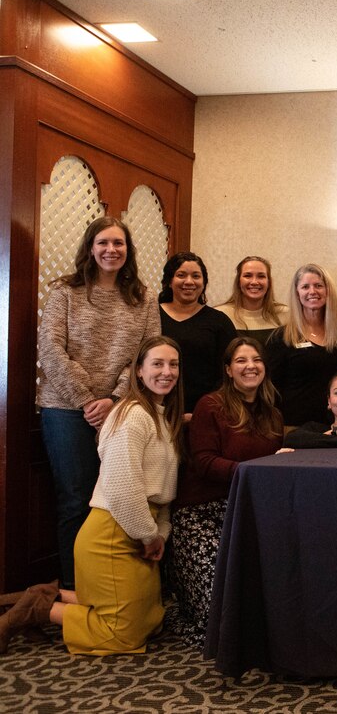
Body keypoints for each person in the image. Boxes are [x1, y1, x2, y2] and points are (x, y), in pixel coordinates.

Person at [1, 337, 184, 655]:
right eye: (157, 364)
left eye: (174, 364)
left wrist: (161, 533)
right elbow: (122, 489)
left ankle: (41, 594)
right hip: (112, 533)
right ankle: (36, 609)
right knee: (121, 635)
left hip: (140, 526)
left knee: (150, 621)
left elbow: (163, 491)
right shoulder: (132, 415)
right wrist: (149, 535)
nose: (167, 372)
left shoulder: (160, 415)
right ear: (138, 372)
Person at [37, 215, 160, 589]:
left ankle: (113, 587)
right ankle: (75, 589)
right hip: (65, 408)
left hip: (120, 410)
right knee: (75, 501)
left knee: (116, 498)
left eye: (118, 243)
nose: (111, 250)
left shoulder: (144, 297)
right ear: (90, 248)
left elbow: (148, 353)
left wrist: (115, 399)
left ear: (128, 251)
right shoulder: (65, 292)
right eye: (103, 243)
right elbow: (50, 348)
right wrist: (88, 400)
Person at [171, 337, 283, 647]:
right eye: (241, 361)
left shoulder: (272, 414)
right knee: (221, 615)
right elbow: (204, 462)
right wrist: (253, 470)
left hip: (246, 513)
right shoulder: (211, 405)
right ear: (228, 370)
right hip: (200, 515)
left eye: (256, 360)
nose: (250, 366)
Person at [265, 264, 337, 428]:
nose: (312, 291)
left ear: (327, 291)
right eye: (305, 287)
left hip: (335, 427)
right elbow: (270, 388)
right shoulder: (281, 338)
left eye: (318, 286)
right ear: (297, 293)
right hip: (294, 428)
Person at [159, 252, 237, 414]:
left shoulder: (219, 321)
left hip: (204, 413)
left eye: (196, 276)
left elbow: (228, 371)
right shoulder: (152, 315)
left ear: (204, 283)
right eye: (181, 275)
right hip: (156, 410)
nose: (189, 282)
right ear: (169, 281)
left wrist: (203, 411)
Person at [214, 255, 287, 346]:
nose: (254, 282)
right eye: (248, 276)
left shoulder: (286, 314)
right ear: (238, 281)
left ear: (269, 282)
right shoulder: (219, 315)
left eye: (261, 276)